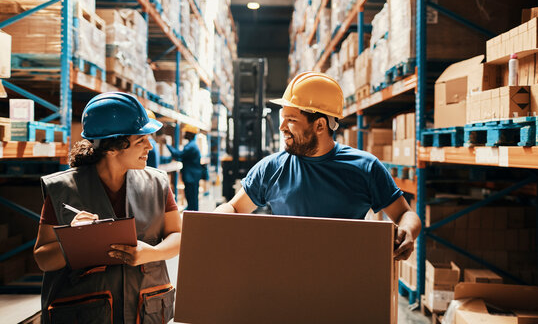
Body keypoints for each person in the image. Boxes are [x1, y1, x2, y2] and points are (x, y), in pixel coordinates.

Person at [215, 71, 421, 261]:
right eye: (282, 118)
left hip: (343, 279)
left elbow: (405, 213)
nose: (281, 127)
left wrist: (407, 231)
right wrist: (213, 221)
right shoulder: (271, 168)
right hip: (285, 275)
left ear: (320, 125)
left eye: (291, 119)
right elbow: (234, 207)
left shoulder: (365, 168)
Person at [33, 92, 181, 323]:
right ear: (112, 148)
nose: (150, 146)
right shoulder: (63, 189)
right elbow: (43, 258)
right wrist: (74, 240)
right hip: (86, 315)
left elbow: (178, 236)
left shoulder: (157, 184)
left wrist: (151, 253)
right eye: (140, 140)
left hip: (145, 312)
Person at [164, 124, 204, 211]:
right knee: (192, 198)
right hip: (192, 176)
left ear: (190, 134)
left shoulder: (191, 146)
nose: (184, 134)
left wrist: (167, 145)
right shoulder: (192, 145)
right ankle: (192, 213)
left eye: (186, 132)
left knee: (191, 198)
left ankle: (192, 216)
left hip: (191, 177)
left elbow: (178, 155)